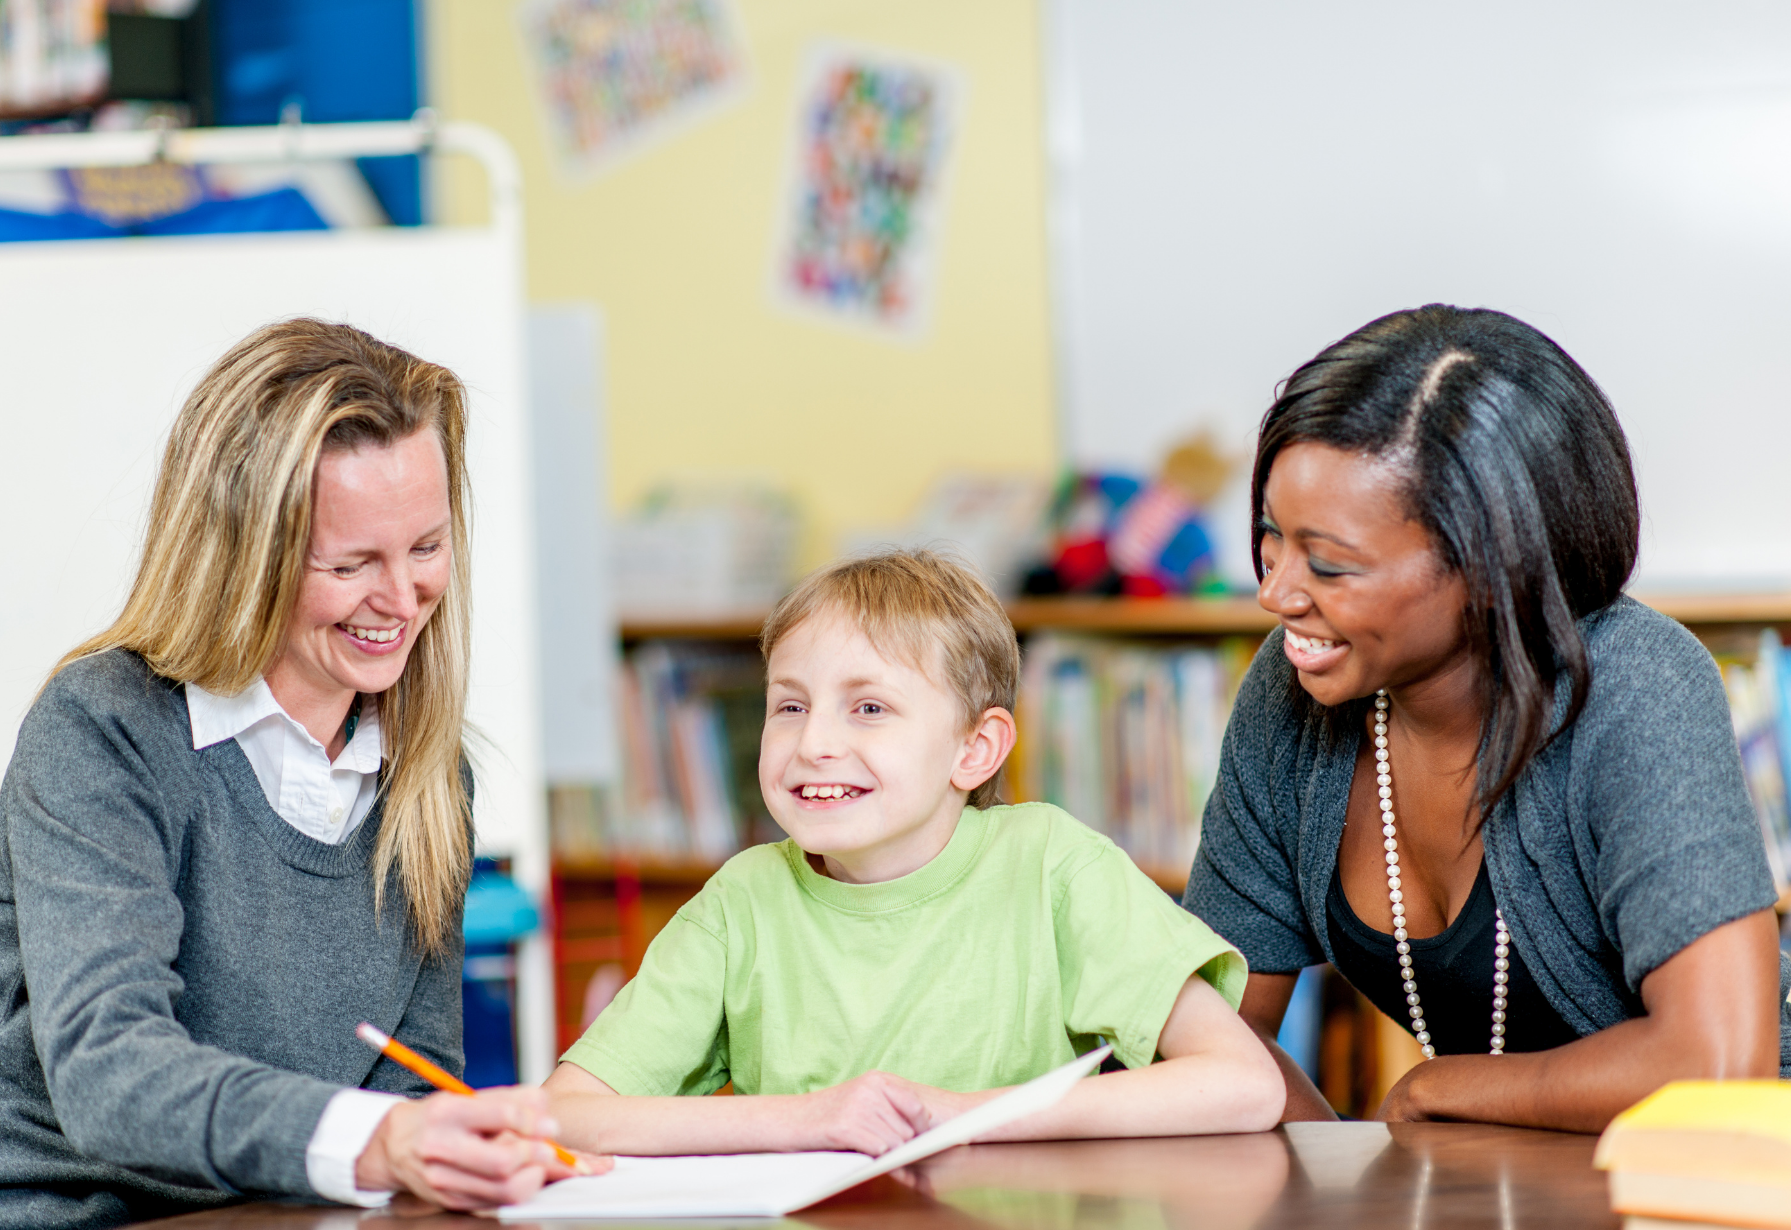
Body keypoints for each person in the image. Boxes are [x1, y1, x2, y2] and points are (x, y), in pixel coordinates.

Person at [0, 320, 597, 1228]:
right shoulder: (104, 727)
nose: (401, 599)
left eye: (426, 547)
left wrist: (458, 1154)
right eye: (350, 564)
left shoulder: (429, 779)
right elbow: (110, 1073)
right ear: (244, 558)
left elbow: (411, 1078)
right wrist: (382, 1143)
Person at [1183, 304, 1790, 1130]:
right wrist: (1342, 1176)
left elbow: (1719, 1065)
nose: (1278, 593)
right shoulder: (1292, 690)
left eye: (1328, 563)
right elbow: (1207, 1034)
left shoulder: (1636, 683)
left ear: (1487, 561)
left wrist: (1438, 1090)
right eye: (1269, 539)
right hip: (1519, 1178)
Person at [544, 550, 1285, 1155]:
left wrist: (954, 1115)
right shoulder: (742, 903)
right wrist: (810, 1120)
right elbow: (563, 1116)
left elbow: (1243, 1083)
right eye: (790, 706)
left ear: (976, 749)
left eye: (869, 708)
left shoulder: (1053, 865)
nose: (815, 744)